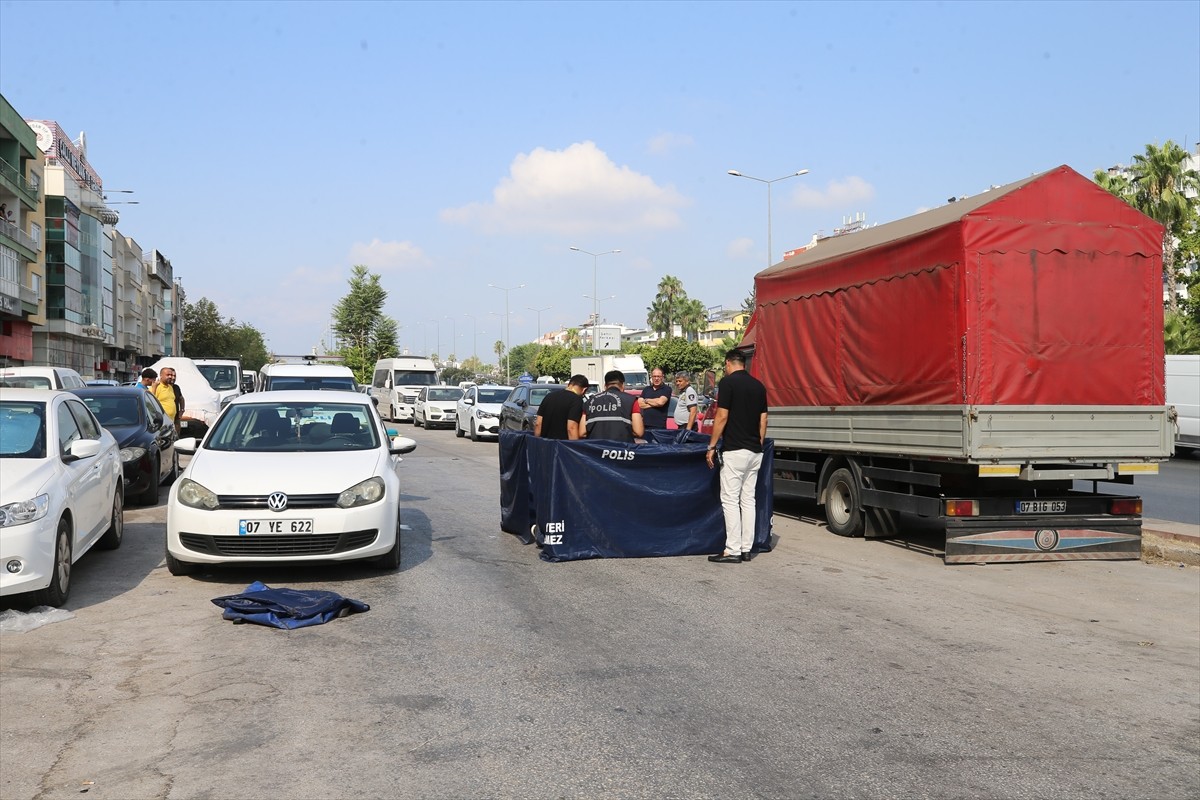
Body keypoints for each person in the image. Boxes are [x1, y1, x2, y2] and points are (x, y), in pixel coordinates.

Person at [706, 350, 768, 564]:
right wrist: (758, 443)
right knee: (748, 499)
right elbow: (764, 419)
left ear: (728, 364)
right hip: (754, 451)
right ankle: (746, 548)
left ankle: (732, 549)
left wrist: (712, 446)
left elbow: (722, 416)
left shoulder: (727, 383)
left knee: (730, 499)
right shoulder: (759, 386)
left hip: (735, 450)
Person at [581, 370, 644, 443]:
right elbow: (638, 432)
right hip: (621, 451)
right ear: (623, 385)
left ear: (605, 386)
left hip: (596, 450)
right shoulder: (632, 401)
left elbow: (582, 432)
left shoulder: (589, 402)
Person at [535, 374, 588, 440]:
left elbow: (538, 423)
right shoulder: (577, 401)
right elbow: (571, 428)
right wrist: (575, 447)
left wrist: (537, 442)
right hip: (563, 446)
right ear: (584, 390)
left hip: (546, 444)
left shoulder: (549, 397)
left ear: (569, 384)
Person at [154, 366, 185, 433]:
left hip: (172, 421)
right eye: (168, 375)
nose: (171, 377)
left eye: (173, 375)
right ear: (161, 375)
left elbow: (181, 399)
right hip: (162, 423)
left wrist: (182, 410)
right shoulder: (156, 387)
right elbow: (150, 402)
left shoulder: (171, 387)